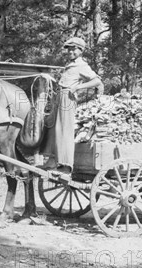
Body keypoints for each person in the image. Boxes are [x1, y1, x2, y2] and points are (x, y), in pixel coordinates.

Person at [42, 37, 103, 175]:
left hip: (68, 99)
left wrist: (78, 87)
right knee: (53, 127)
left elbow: (97, 81)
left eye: (73, 49)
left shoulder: (82, 65)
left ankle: (66, 165)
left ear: (80, 50)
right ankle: (53, 160)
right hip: (60, 96)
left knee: (65, 130)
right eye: (68, 49)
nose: (70, 51)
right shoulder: (70, 64)